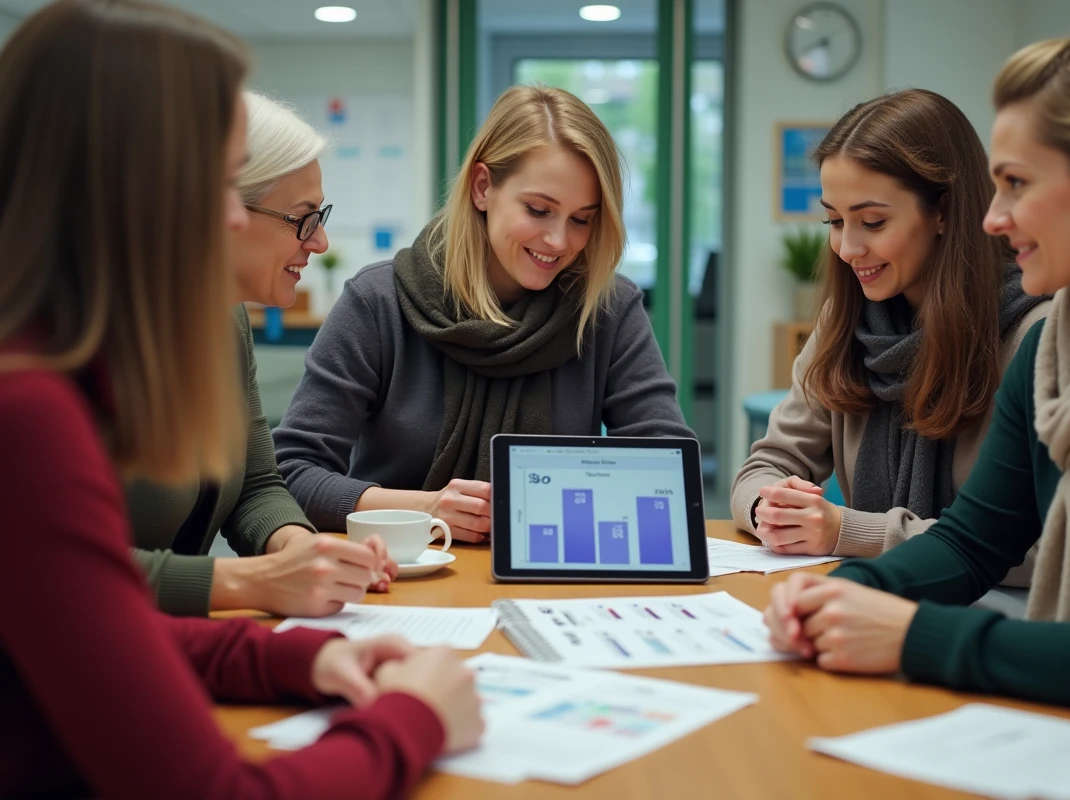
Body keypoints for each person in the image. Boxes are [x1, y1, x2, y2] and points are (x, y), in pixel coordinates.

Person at [0, 2, 482, 796]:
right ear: (134, 189)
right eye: (222, 183)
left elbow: (100, 626)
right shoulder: (26, 413)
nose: (230, 216)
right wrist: (414, 719)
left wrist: (297, 657)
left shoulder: (60, 365)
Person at [764, 31, 1070, 720]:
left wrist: (913, 636)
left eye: (1017, 184)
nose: (993, 218)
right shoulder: (1054, 351)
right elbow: (972, 542)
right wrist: (848, 590)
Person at [273, 85, 693, 541]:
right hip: (399, 570)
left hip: (553, 570)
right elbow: (292, 474)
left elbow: (668, 468)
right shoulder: (377, 303)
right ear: (482, 188)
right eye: (539, 210)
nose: (559, 241)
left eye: (581, 219)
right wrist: (425, 509)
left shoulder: (607, 308)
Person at [731, 89, 1047, 582]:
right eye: (834, 220)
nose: (847, 248)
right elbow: (765, 466)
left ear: (943, 211)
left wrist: (852, 531)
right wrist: (769, 509)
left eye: (873, 222)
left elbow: (1042, 546)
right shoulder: (846, 320)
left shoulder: (1035, 335)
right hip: (871, 596)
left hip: (995, 609)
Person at [127, 90, 397, 618]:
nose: (319, 242)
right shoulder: (79, 341)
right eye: (302, 219)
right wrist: (257, 582)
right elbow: (48, 569)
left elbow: (255, 483)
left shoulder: (225, 321)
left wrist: (302, 549)